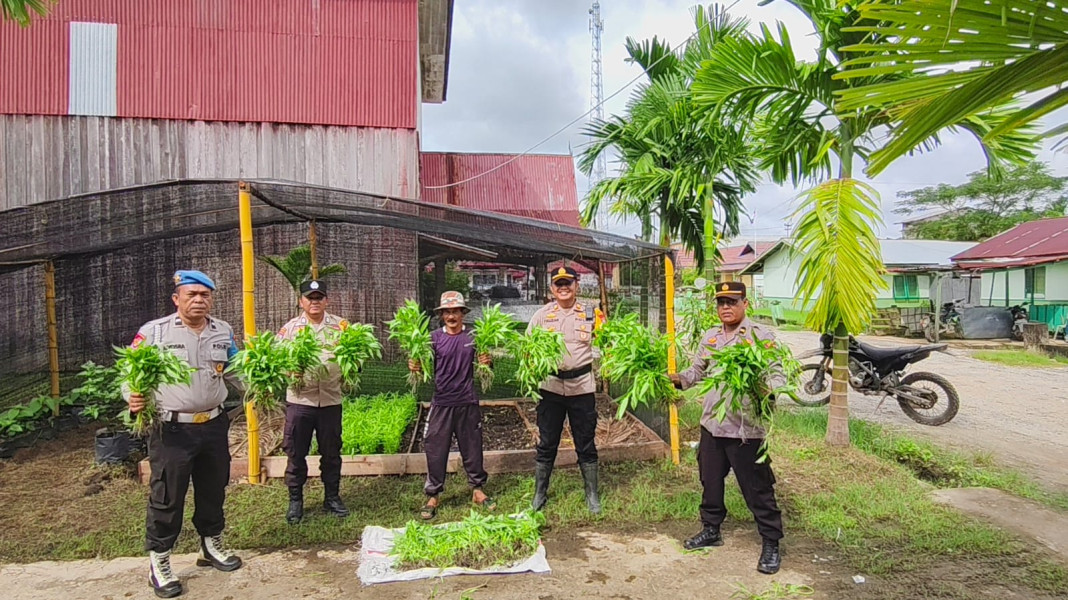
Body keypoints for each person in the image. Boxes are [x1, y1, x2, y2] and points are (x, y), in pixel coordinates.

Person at [125, 270, 243, 599]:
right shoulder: (155, 332)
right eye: (191, 295)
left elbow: (235, 370)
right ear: (176, 298)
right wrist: (131, 396)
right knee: (167, 495)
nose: (199, 301)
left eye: (205, 295)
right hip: (172, 429)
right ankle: (160, 561)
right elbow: (131, 372)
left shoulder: (222, 331)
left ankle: (210, 545)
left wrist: (265, 381)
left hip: (214, 425)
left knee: (213, 488)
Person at [669, 281, 784, 575]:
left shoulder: (760, 336)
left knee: (756, 488)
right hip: (712, 425)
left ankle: (771, 541)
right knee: (710, 481)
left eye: (731, 302)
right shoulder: (710, 337)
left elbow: (777, 373)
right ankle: (711, 529)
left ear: (745, 304)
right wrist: (677, 379)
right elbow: (696, 371)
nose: (725, 308)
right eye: (721, 303)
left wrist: (770, 390)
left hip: (746, 429)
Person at [409, 291, 495, 519]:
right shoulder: (434, 338)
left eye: (455, 311)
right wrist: (415, 366)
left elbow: (486, 365)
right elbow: (423, 366)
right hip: (442, 403)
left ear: (462, 313)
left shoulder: (475, 337)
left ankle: (477, 490)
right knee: (436, 449)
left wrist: (487, 362)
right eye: (447, 312)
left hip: (467, 401)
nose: (451, 315)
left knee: (472, 447)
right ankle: (433, 494)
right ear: (441, 315)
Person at [527, 266, 601, 514]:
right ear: (552, 289)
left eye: (568, 283)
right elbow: (528, 348)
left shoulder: (591, 313)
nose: (563, 288)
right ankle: (540, 494)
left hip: (582, 387)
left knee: (585, 441)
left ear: (576, 285)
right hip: (551, 387)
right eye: (558, 284)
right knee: (547, 442)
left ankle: (592, 495)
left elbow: (608, 341)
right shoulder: (542, 315)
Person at [278, 279, 351, 524]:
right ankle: (296, 501)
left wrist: (352, 370)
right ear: (301, 301)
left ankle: (332, 498)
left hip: (330, 399)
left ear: (326, 300)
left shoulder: (341, 327)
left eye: (319, 297)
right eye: (310, 297)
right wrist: (290, 372)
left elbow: (356, 357)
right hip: (301, 400)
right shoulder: (289, 329)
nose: (315, 302)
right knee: (296, 453)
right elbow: (277, 362)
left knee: (331, 453)